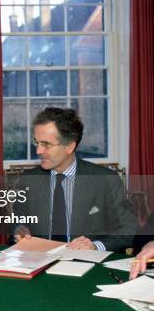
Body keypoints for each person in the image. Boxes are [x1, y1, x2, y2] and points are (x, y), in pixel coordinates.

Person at [14, 108, 136, 252]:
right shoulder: (30, 179)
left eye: (46, 144)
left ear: (69, 146)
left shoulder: (106, 180)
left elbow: (128, 228)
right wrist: (19, 230)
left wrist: (95, 246)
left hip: (88, 266)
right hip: (38, 262)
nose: (38, 151)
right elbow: (18, 220)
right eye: (37, 142)